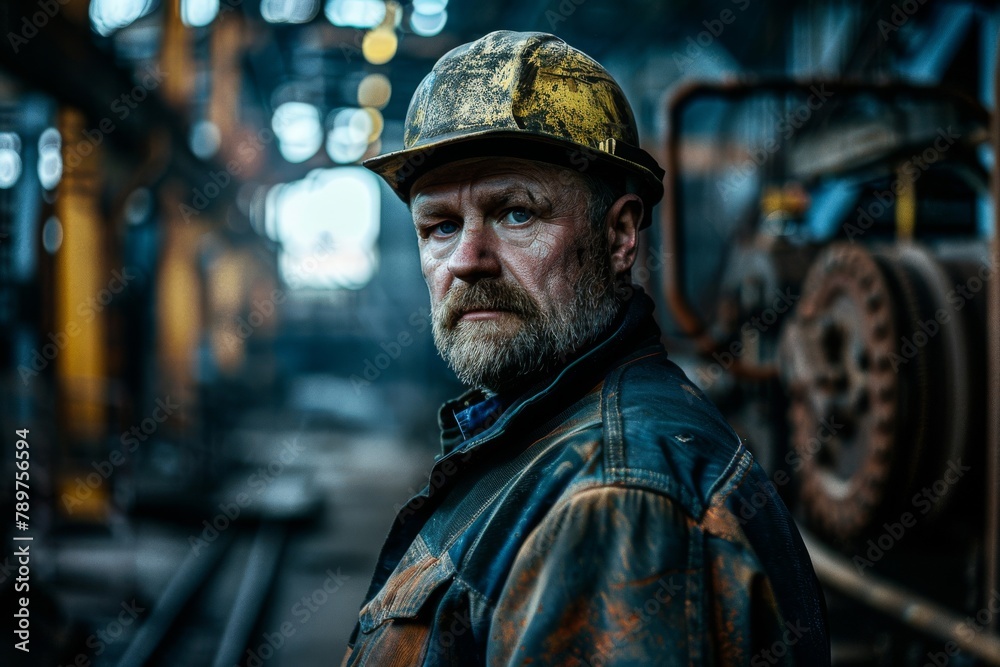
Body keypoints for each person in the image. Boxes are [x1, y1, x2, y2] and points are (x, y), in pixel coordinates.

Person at [343, 30, 830, 666]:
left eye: (516, 213)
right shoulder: (541, 436)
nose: (466, 262)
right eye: (440, 226)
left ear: (621, 234)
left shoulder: (615, 504)